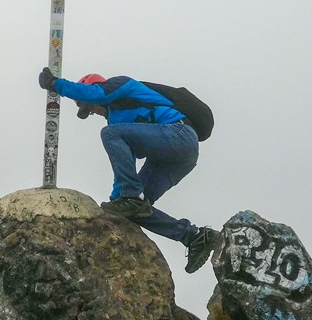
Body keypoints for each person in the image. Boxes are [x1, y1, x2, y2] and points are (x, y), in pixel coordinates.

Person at [38, 68, 216, 273]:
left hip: (179, 133)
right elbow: (124, 166)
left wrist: (54, 84)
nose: (93, 111)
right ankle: (194, 236)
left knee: (109, 135)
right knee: (135, 211)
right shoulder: (118, 123)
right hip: (177, 157)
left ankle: (131, 197)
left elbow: (95, 94)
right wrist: (116, 201)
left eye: (90, 107)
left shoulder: (121, 85)